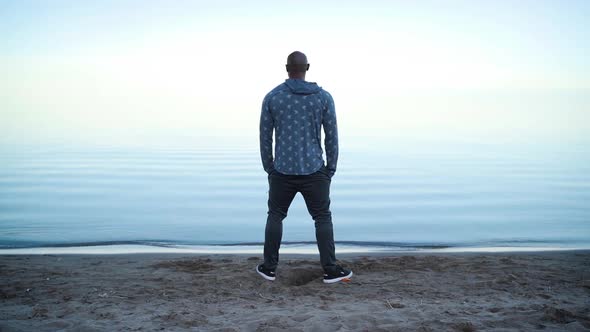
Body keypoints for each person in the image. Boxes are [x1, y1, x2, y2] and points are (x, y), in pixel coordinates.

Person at [256, 51, 353, 284]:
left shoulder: (273, 97)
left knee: (275, 216)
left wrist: (269, 166)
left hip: (282, 170)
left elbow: (264, 136)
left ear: (286, 68)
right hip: (314, 170)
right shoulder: (323, 97)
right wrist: (331, 168)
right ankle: (330, 269)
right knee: (322, 218)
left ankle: (269, 268)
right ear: (307, 67)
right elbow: (332, 136)